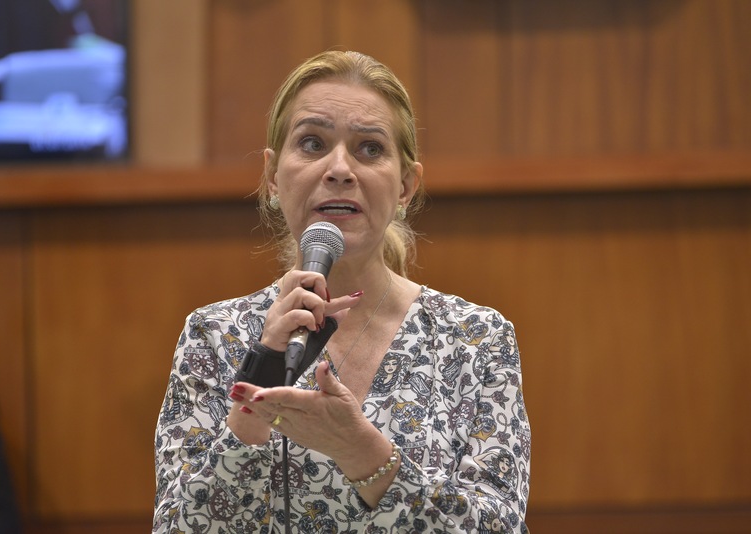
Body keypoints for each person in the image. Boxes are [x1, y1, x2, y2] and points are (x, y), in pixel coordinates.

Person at [153, 50, 530, 533]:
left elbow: (499, 527)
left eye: (369, 148)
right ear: (272, 176)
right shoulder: (213, 334)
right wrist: (255, 400)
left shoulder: (476, 338)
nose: (339, 169)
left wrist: (361, 451)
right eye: (312, 143)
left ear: (406, 186)